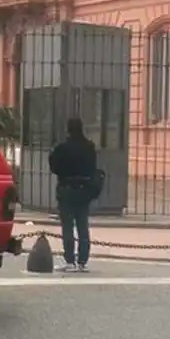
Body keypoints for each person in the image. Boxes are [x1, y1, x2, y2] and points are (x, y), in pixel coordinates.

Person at [48, 117, 97, 273]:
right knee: (83, 225)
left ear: (68, 129)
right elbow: (93, 168)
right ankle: (82, 261)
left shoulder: (63, 148)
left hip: (67, 189)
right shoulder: (89, 147)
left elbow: (54, 167)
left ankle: (70, 260)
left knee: (67, 226)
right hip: (84, 190)